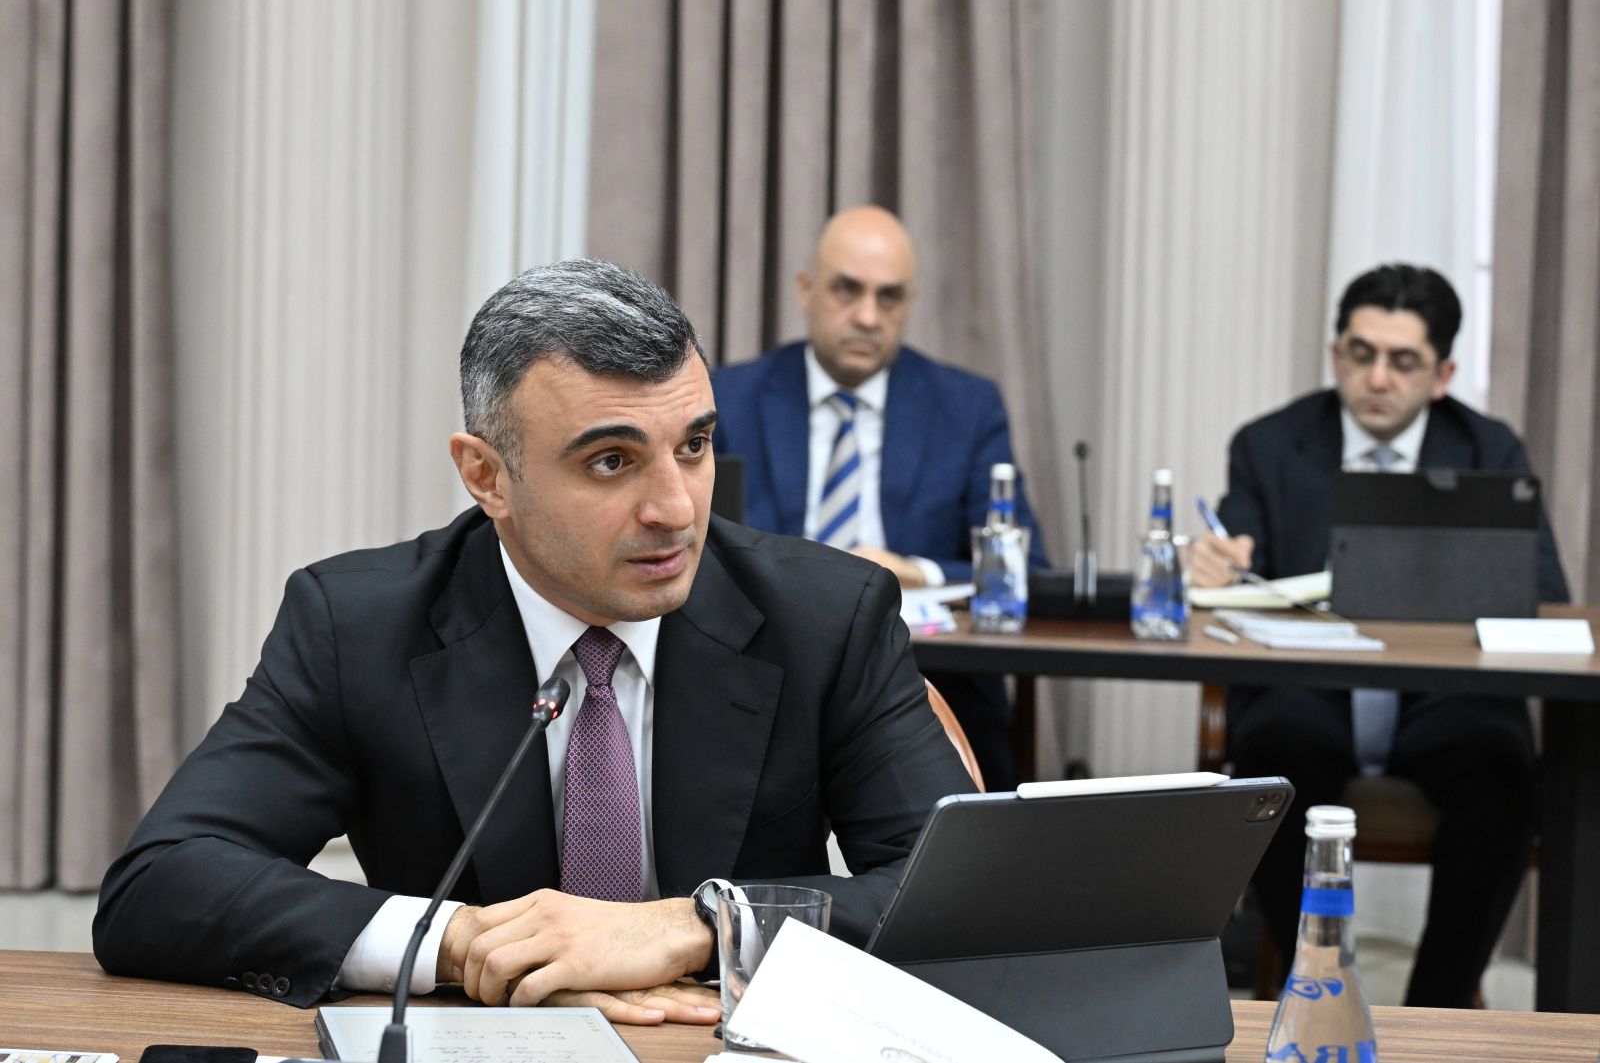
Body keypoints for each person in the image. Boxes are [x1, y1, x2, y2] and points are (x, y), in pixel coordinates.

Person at [93, 259, 971, 1020]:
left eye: (694, 445)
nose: (675, 508)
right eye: (612, 461)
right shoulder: (358, 626)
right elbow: (160, 882)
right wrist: (466, 942)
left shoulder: (827, 616)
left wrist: (695, 924)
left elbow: (960, 898)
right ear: (487, 476)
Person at [1190, 263, 1569, 1008]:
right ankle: (1321, 988)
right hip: (1310, 695)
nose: (1377, 378)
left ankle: (1436, 1010)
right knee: (1273, 756)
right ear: (1336, 353)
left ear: (1442, 374)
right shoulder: (1269, 445)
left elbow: (1547, 596)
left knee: (1502, 768)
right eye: (1360, 354)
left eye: (1403, 361)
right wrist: (1211, 566)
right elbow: (1229, 580)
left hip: (1445, 700)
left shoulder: (1489, 450)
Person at [711, 205, 1049, 790]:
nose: (867, 316)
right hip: (761, 672)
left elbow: (1024, 568)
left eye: (889, 297)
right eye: (847, 290)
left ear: (909, 303)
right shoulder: (730, 398)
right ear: (805, 289)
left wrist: (916, 572)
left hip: (925, 679)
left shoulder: (965, 408)